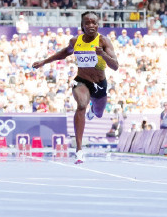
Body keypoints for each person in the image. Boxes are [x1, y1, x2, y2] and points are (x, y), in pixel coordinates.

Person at [32, 11, 119, 164]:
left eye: (94, 23)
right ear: (82, 26)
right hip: (81, 81)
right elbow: (63, 53)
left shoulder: (104, 41)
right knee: (81, 105)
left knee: (98, 113)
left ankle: (93, 110)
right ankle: (79, 150)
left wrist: (103, 55)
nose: (91, 25)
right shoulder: (75, 41)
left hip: (100, 84)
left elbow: (115, 66)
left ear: (98, 25)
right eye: (88, 23)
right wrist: (44, 62)